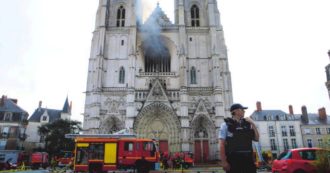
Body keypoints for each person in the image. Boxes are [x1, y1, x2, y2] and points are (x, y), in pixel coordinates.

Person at [219, 103, 260, 173]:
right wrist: (224, 161)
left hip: (248, 159)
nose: (244, 112)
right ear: (236, 111)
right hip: (233, 159)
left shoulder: (247, 124)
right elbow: (221, 144)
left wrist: (253, 124)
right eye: (242, 110)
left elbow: (257, 138)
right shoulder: (225, 125)